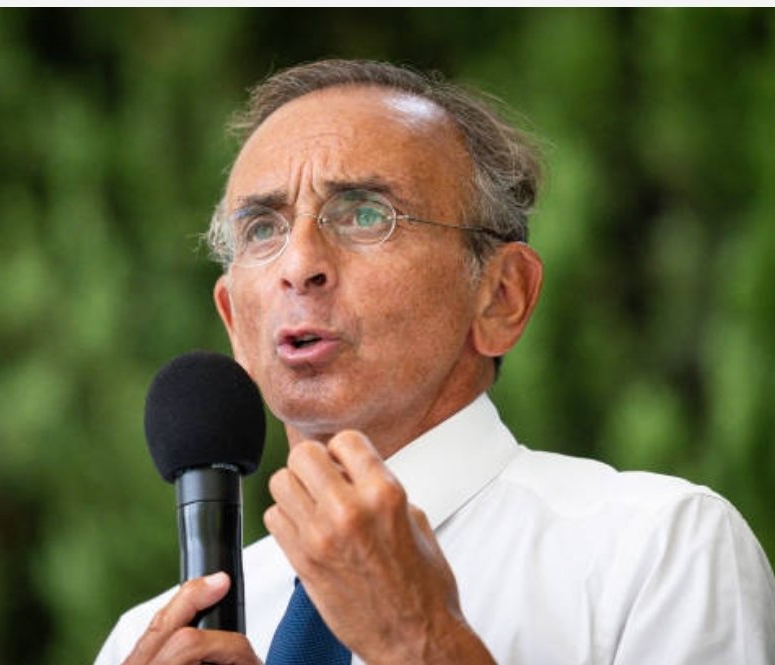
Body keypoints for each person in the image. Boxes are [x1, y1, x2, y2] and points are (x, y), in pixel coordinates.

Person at [95, 59, 775, 664]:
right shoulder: (145, 640)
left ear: (502, 296)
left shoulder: (659, 551)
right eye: (262, 229)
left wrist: (419, 641)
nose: (299, 265)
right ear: (235, 323)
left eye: (366, 215)